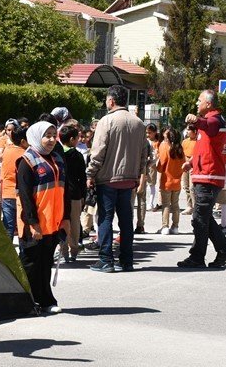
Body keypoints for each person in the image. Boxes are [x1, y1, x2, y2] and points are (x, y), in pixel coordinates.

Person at [85, 85, 145, 273]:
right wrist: (138, 174)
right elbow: (144, 154)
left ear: (111, 100)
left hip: (108, 178)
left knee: (105, 218)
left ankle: (105, 259)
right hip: (129, 179)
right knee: (126, 221)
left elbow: (98, 151)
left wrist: (90, 173)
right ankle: (127, 260)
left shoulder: (107, 121)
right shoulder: (138, 123)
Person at [15, 121, 70, 314]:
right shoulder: (26, 161)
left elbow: (65, 191)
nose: (52, 140)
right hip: (35, 225)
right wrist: (33, 223)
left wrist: (66, 219)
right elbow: (25, 197)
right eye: (47, 135)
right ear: (37, 136)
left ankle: (45, 299)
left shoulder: (58, 159)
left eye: (54, 135)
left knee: (45, 263)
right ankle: (23, 302)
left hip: (53, 224)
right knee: (30, 265)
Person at [179, 90, 226, 269]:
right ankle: (224, 252)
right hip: (206, 175)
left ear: (209, 104)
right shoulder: (212, 120)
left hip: (209, 177)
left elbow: (209, 125)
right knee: (204, 218)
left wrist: (196, 120)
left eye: (199, 100)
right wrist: (191, 162)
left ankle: (197, 257)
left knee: (199, 219)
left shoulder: (214, 120)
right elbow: (206, 149)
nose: (197, 103)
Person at [59, 124, 87, 261]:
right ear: (71, 139)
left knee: (61, 222)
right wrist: (83, 196)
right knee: (75, 222)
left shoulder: (57, 155)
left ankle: (63, 250)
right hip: (75, 194)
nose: (78, 140)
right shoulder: (77, 156)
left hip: (59, 194)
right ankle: (74, 249)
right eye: (77, 138)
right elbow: (82, 177)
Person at [0, 126, 28, 239]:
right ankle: (22, 253)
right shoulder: (26, 154)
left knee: (8, 227)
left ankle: (7, 255)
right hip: (21, 193)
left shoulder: (6, 151)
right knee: (22, 227)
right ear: (23, 141)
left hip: (6, 192)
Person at [157, 127, 185, 235]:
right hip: (177, 181)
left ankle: (165, 226)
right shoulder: (180, 149)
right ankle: (175, 226)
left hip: (166, 180)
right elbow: (183, 165)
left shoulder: (164, 147)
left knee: (166, 205)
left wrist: (157, 166)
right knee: (175, 205)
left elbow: (161, 165)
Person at [181, 122, 197, 214]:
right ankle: (189, 206)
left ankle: (195, 206)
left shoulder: (198, 142)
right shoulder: (185, 141)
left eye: (189, 129)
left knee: (192, 187)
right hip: (185, 164)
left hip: (193, 166)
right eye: (187, 129)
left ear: (194, 131)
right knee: (186, 186)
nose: (187, 131)